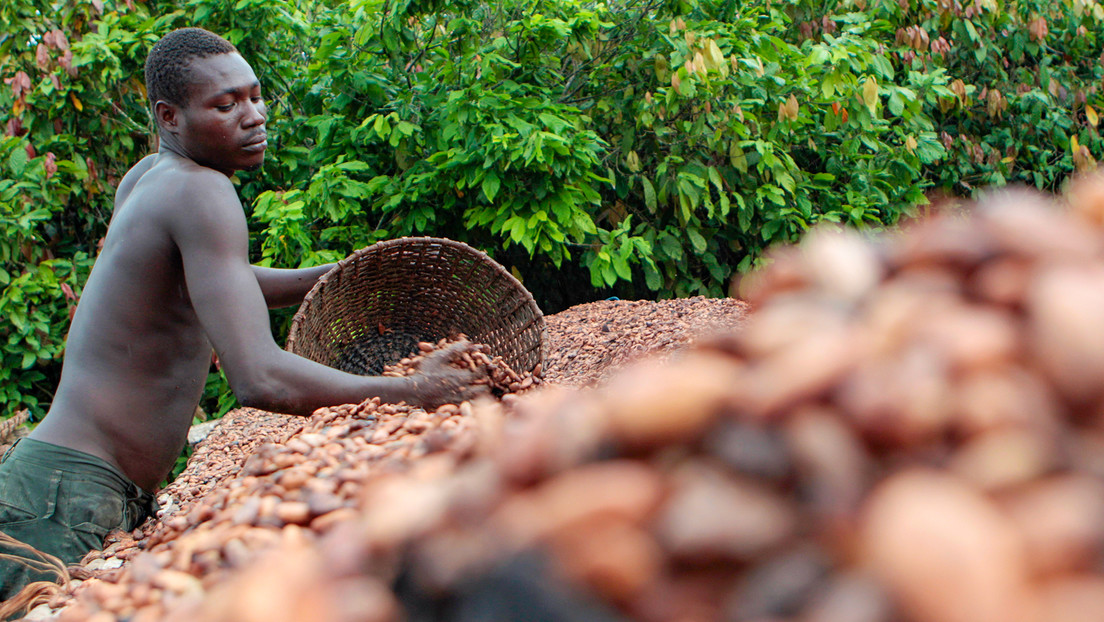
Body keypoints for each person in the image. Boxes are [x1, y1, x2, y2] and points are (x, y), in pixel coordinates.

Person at [0, 27, 486, 599]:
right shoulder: (201, 192)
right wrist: (416, 392)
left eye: (255, 96)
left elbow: (216, 284)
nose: (253, 115)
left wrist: (340, 276)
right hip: (62, 497)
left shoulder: (150, 178)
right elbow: (259, 377)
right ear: (169, 116)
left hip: (67, 485)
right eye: (226, 105)